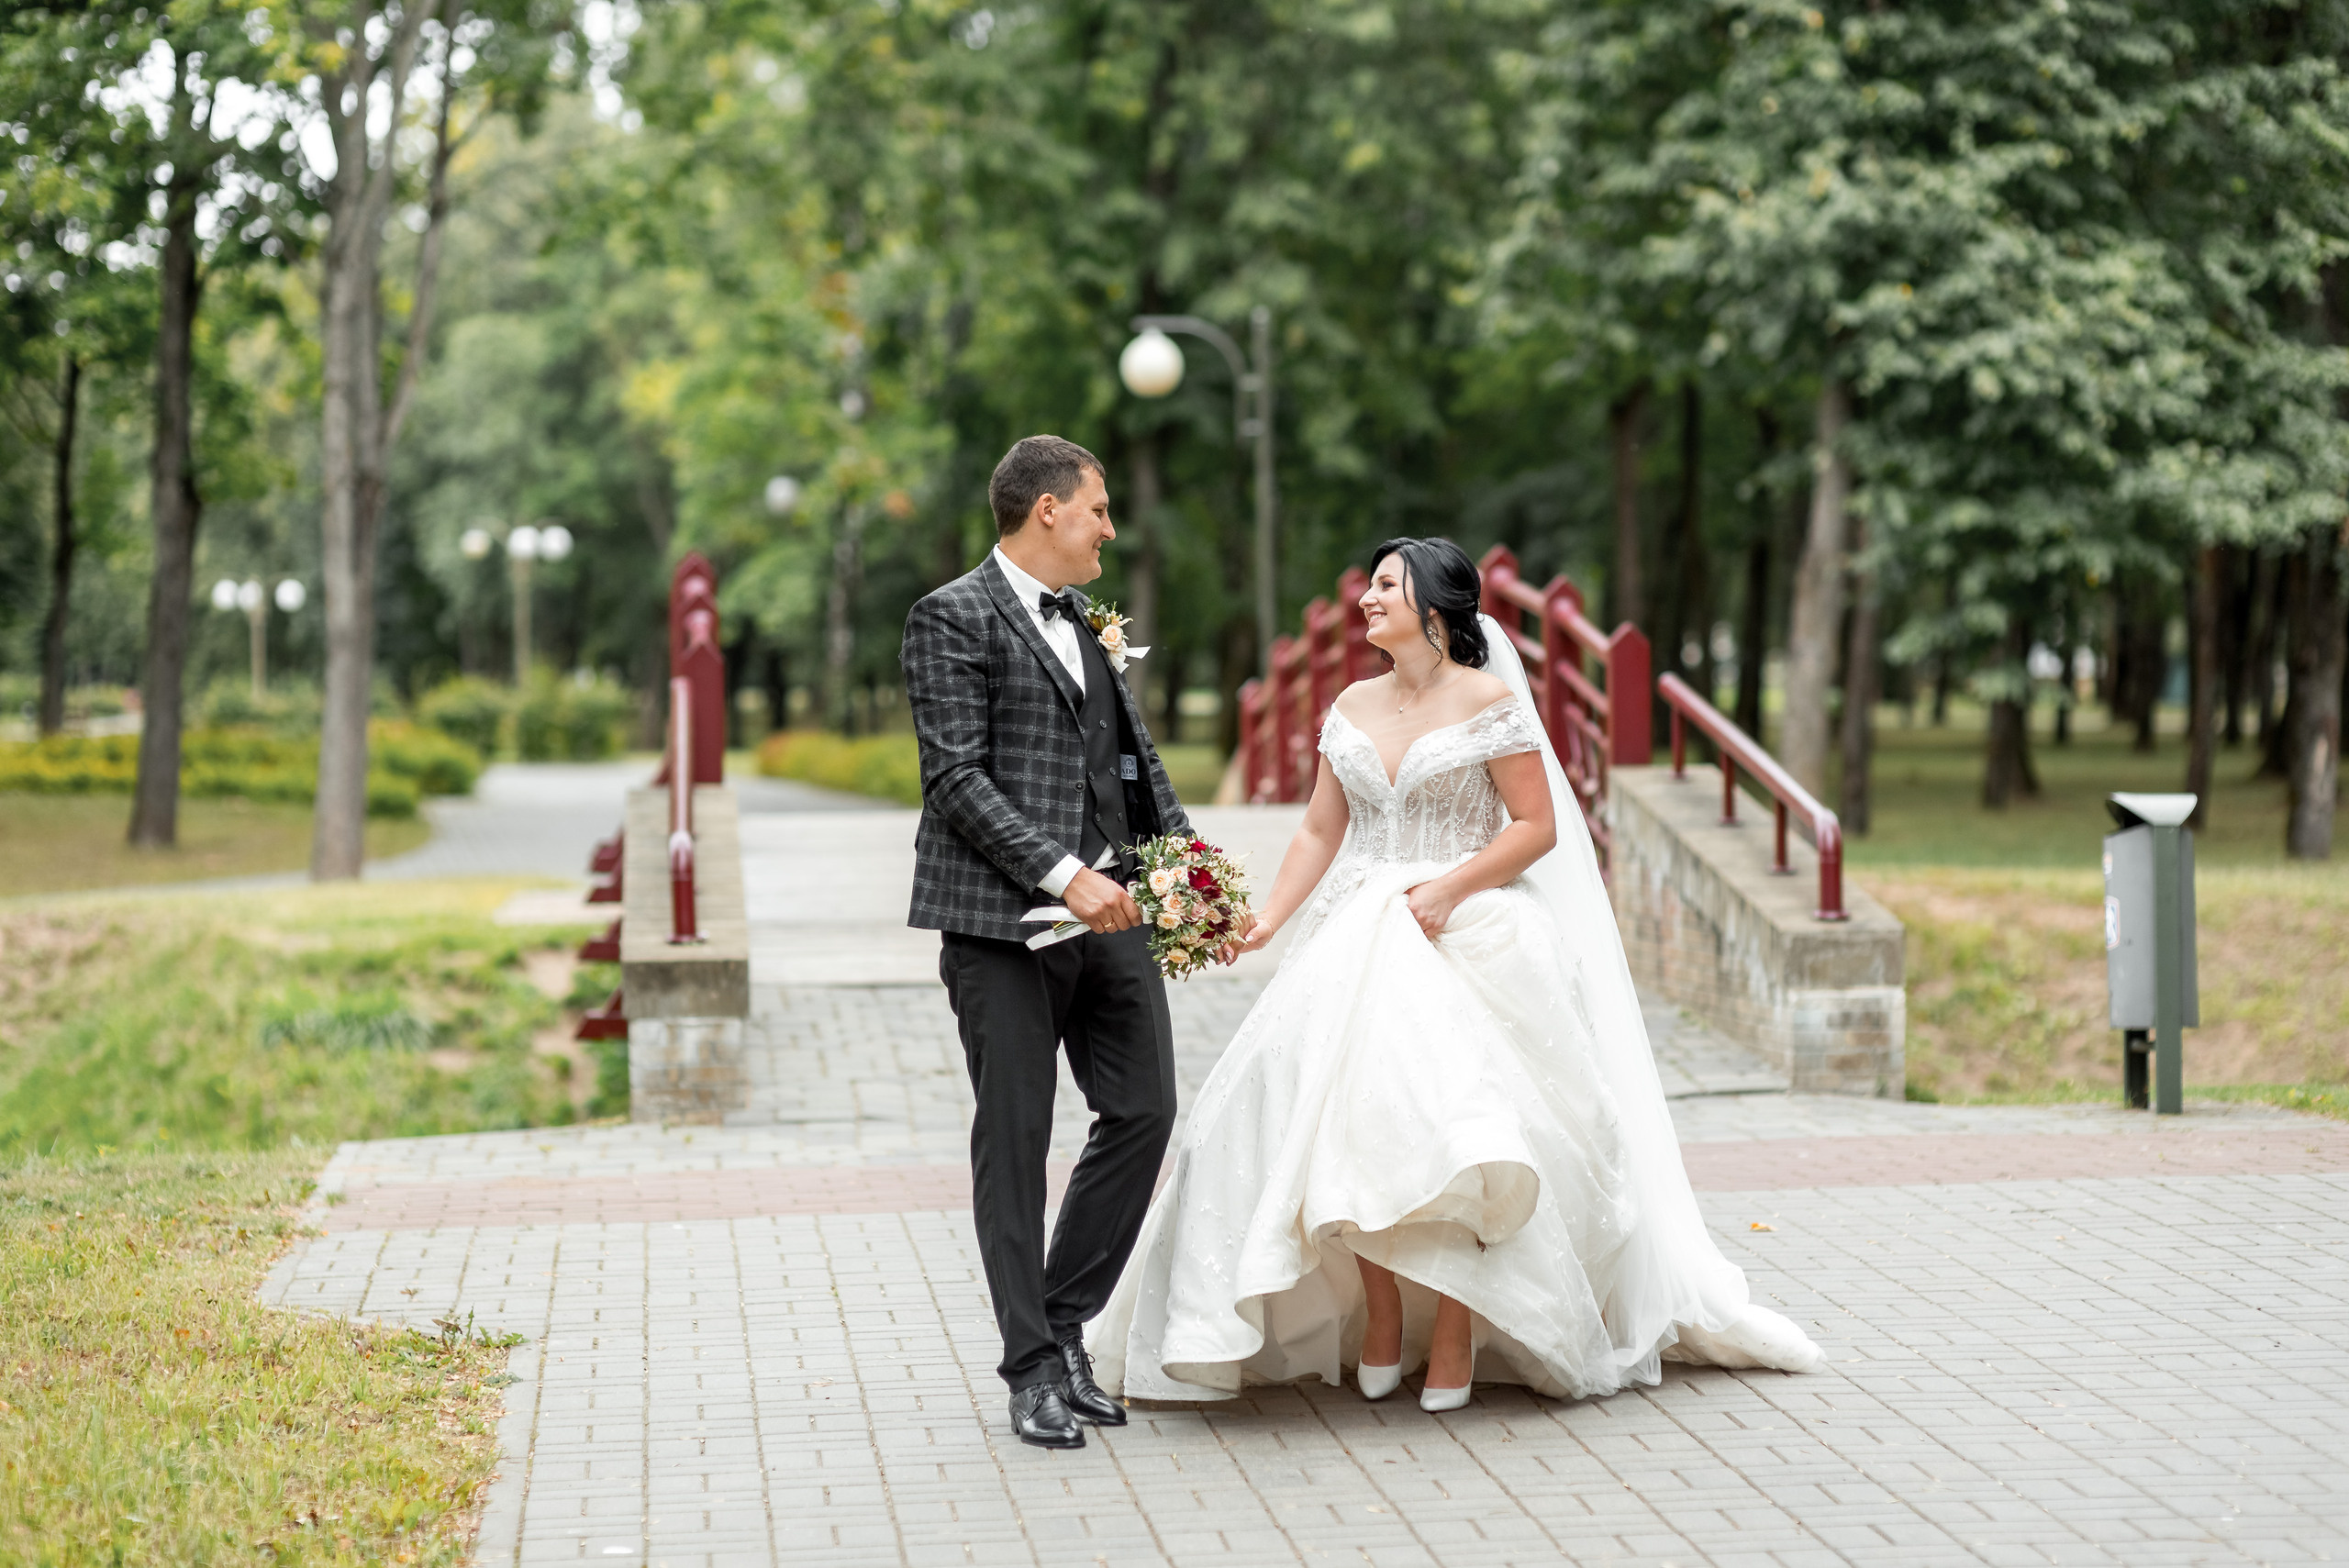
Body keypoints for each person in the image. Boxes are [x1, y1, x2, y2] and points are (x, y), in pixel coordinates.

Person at [1086, 536, 1822, 1412]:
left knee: (1454, 1128)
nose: (1366, 598)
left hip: (1466, 921)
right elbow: (1323, 830)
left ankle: (1458, 1327)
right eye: (1366, 585)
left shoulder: (1488, 700)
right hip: (1357, 929)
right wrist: (1269, 919)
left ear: (1434, 608)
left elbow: (1534, 824)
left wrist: (1449, 889)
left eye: (1386, 586)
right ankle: (1387, 1312)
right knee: (1330, 1118)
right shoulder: (1351, 702)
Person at [900, 435, 1197, 1450]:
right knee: (1016, 1136)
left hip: (1109, 910)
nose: (1110, 528)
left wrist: (1193, 882)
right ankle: (1029, 1365)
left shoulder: (1086, 621)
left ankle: (1063, 1321)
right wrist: (1060, 871)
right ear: (1047, 512)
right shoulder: (948, 616)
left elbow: (1132, 763)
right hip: (1000, 923)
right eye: (1099, 509)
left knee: (1147, 1106)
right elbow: (956, 777)